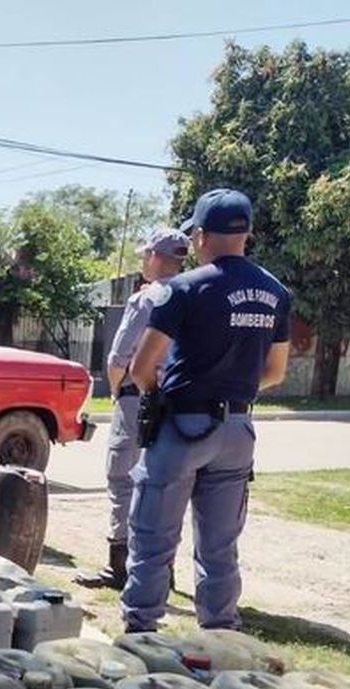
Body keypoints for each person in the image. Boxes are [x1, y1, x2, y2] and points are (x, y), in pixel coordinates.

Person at [121, 189, 292, 633]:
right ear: (247, 234)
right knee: (219, 546)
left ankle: (141, 633)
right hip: (237, 428)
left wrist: (168, 397)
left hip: (183, 425)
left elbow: (141, 367)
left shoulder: (182, 289)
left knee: (153, 537)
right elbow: (275, 373)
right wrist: (229, 388)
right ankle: (220, 639)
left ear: (199, 235)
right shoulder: (275, 293)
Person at [76, 227, 191, 590]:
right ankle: (161, 567)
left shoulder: (146, 299)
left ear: (157, 257)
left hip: (136, 396)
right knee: (163, 482)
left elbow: (118, 358)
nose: (143, 260)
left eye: (146, 255)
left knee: (122, 478)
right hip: (177, 400)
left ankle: (120, 567)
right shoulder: (193, 295)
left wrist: (114, 390)